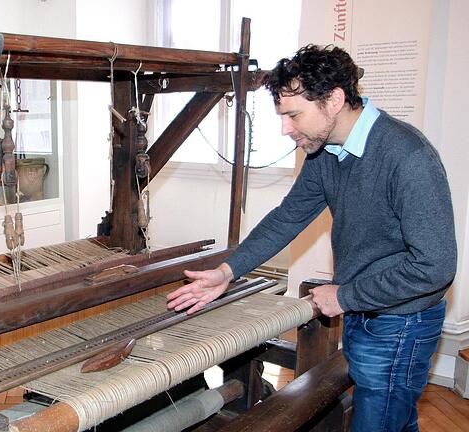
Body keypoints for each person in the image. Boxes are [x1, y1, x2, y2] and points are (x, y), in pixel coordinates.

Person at [166, 44, 456, 431]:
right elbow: (288, 217)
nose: (286, 129)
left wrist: (345, 295)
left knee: (382, 421)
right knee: (395, 420)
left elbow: (435, 267)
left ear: (334, 99)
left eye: (293, 115)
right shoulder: (326, 152)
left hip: (402, 323)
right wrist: (227, 270)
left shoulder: (408, 157)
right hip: (366, 311)